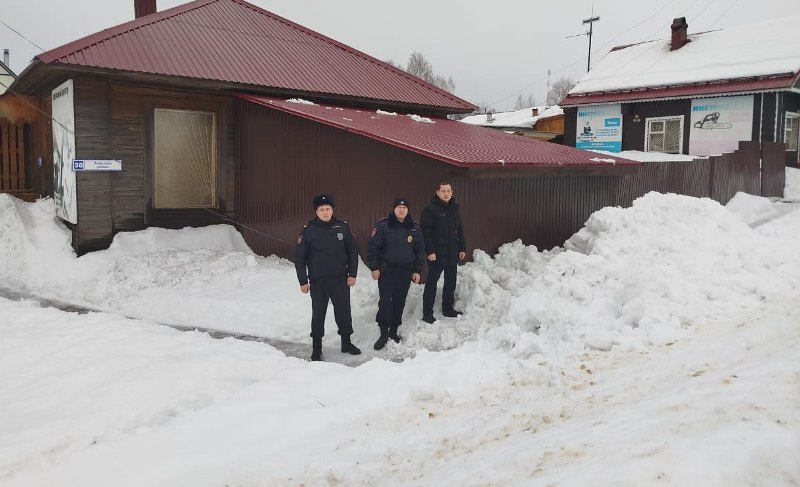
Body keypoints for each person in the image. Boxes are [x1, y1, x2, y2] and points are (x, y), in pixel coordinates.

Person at [294, 194, 362, 361]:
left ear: (333, 210)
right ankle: (317, 348)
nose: (325, 212)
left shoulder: (342, 228)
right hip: (318, 282)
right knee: (318, 315)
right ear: (316, 212)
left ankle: (346, 343)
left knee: (344, 313)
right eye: (322, 209)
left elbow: (353, 252)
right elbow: (299, 258)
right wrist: (303, 281)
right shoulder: (308, 231)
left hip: (340, 280)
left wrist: (352, 274)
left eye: (328, 209)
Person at [366, 197, 426, 350]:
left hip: (405, 271)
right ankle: (383, 333)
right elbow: (373, 248)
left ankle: (393, 331)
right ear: (394, 209)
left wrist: (417, 270)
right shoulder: (383, 226)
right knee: (385, 301)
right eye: (399, 207)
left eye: (404, 207)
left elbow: (419, 251)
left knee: (399, 301)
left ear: (408, 210)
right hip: (387, 270)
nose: (402, 210)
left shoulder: (414, 227)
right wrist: (374, 268)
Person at [420, 182, 466, 323]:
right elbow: (425, 232)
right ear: (437, 192)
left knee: (450, 283)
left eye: (448, 191)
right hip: (436, 254)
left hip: (452, 252)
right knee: (432, 283)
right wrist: (430, 251)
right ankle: (427, 314)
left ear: (452, 192)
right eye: (443, 191)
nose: (446, 193)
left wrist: (462, 247)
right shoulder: (430, 209)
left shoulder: (454, 208)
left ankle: (447, 309)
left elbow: (460, 229)